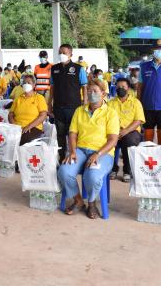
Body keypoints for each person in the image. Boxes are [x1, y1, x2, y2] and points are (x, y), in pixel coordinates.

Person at [58, 79, 120, 219]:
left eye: (95, 91)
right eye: (89, 91)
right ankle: (78, 201)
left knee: (92, 175)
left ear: (103, 94)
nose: (91, 94)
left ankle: (92, 203)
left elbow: (113, 140)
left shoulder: (110, 113)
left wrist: (97, 154)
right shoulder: (80, 111)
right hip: (80, 150)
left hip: (103, 153)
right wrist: (73, 151)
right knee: (64, 170)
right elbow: (72, 133)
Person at [49, 44, 88, 161]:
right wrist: (49, 104)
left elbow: (84, 86)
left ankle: (74, 156)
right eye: (60, 52)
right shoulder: (54, 68)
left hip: (74, 108)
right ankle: (62, 158)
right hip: (58, 107)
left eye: (64, 52)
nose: (61, 54)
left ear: (71, 54)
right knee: (60, 134)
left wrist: (85, 102)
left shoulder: (78, 68)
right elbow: (52, 87)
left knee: (73, 133)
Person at [108, 78, 145, 182]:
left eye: (123, 87)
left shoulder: (136, 102)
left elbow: (138, 120)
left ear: (128, 89)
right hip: (114, 131)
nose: (120, 89)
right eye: (118, 87)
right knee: (108, 141)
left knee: (128, 141)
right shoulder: (110, 103)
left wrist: (125, 131)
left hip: (131, 131)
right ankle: (113, 168)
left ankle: (127, 171)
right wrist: (115, 132)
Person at [8, 75, 47, 146]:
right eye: (25, 82)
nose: (26, 84)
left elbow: (43, 115)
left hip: (33, 128)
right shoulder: (18, 99)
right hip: (17, 128)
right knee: (6, 141)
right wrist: (15, 126)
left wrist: (28, 126)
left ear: (34, 85)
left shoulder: (39, 98)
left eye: (29, 82)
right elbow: (10, 114)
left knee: (23, 140)